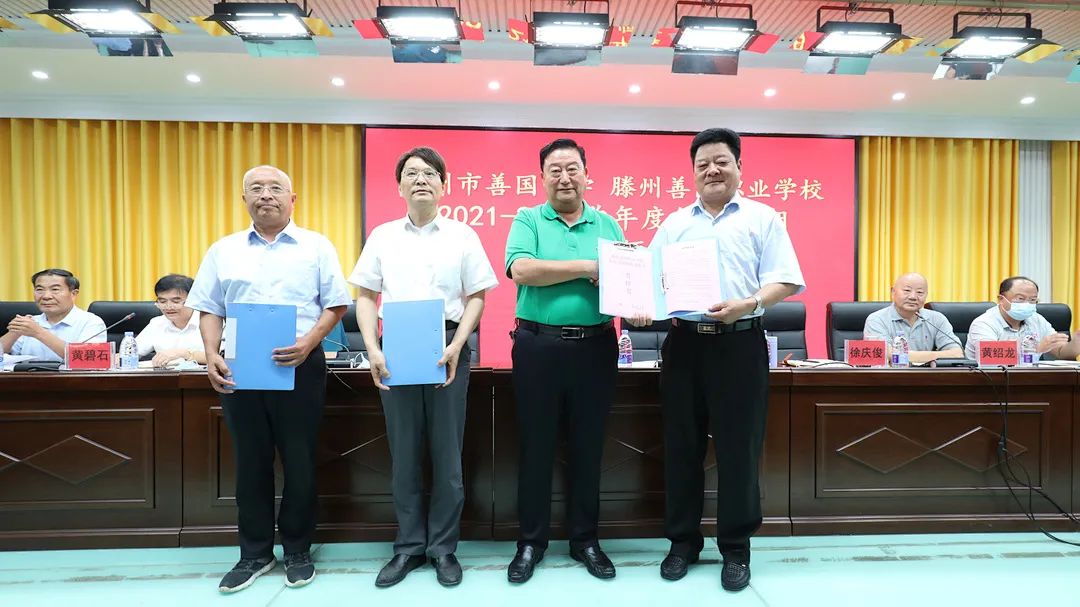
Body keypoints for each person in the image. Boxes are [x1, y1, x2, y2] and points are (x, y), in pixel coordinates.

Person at [640, 128, 804, 591]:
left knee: (738, 450)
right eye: (703, 164)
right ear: (692, 173)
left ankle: (735, 548)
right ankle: (682, 543)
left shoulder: (762, 218)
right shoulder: (674, 224)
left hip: (739, 343)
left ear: (738, 167)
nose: (712, 170)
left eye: (721, 162)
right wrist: (634, 300)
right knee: (681, 447)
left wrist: (748, 304)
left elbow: (786, 280)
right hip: (685, 345)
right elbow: (649, 280)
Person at [186, 165, 351, 593]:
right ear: (244, 200)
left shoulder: (316, 246)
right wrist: (211, 353)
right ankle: (255, 553)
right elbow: (209, 308)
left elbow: (336, 304)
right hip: (241, 367)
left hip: (300, 364)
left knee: (299, 459)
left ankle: (297, 549)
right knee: (251, 461)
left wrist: (309, 342)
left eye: (275, 188)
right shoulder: (223, 250)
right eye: (255, 188)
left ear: (292, 200)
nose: (266, 195)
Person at [350, 146, 498, 588]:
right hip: (396, 346)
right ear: (399, 186)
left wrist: (458, 344)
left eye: (430, 173)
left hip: (447, 345)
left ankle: (443, 548)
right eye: (411, 173)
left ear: (444, 185)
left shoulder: (462, 236)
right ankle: (409, 547)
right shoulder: (382, 236)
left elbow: (477, 296)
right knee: (404, 454)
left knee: (447, 454)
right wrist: (373, 349)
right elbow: (365, 296)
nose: (421, 180)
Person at [504, 138, 625, 584]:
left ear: (587, 175)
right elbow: (522, 270)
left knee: (588, 448)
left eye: (572, 168)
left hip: (596, 347)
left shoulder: (607, 224)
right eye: (554, 170)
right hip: (538, 347)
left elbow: (624, 281)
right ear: (542, 177)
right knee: (535, 447)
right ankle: (530, 543)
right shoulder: (528, 218)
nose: (564, 177)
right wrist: (588, 267)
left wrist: (635, 301)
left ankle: (585, 540)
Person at [1, 268, 106, 362]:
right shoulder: (29, 323)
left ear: (73, 294)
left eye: (55, 289)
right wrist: (13, 333)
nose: (46, 296)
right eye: (39, 290)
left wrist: (38, 332)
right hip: (27, 377)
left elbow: (89, 359)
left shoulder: (91, 322)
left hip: (72, 378)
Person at [965, 276, 1080, 361]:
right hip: (988, 382)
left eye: (1032, 300)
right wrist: (1035, 349)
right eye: (1020, 299)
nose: (1027, 304)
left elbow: (1061, 352)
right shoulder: (984, 323)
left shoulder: (1036, 320)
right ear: (1001, 299)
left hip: (1029, 380)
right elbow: (988, 355)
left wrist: (1076, 344)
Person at [862, 273, 963, 363]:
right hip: (891, 377)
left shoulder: (937, 319)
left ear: (926, 295)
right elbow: (883, 354)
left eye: (920, 292)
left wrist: (903, 356)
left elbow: (957, 353)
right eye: (907, 290)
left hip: (929, 376)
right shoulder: (877, 319)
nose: (913, 297)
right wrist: (936, 356)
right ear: (893, 292)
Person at [135, 273, 207, 367]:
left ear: (193, 300)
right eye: (162, 301)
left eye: (175, 301)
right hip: (164, 375)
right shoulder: (156, 323)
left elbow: (221, 357)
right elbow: (130, 354)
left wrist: (185, 354)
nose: (168, 307)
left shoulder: (209, 322)